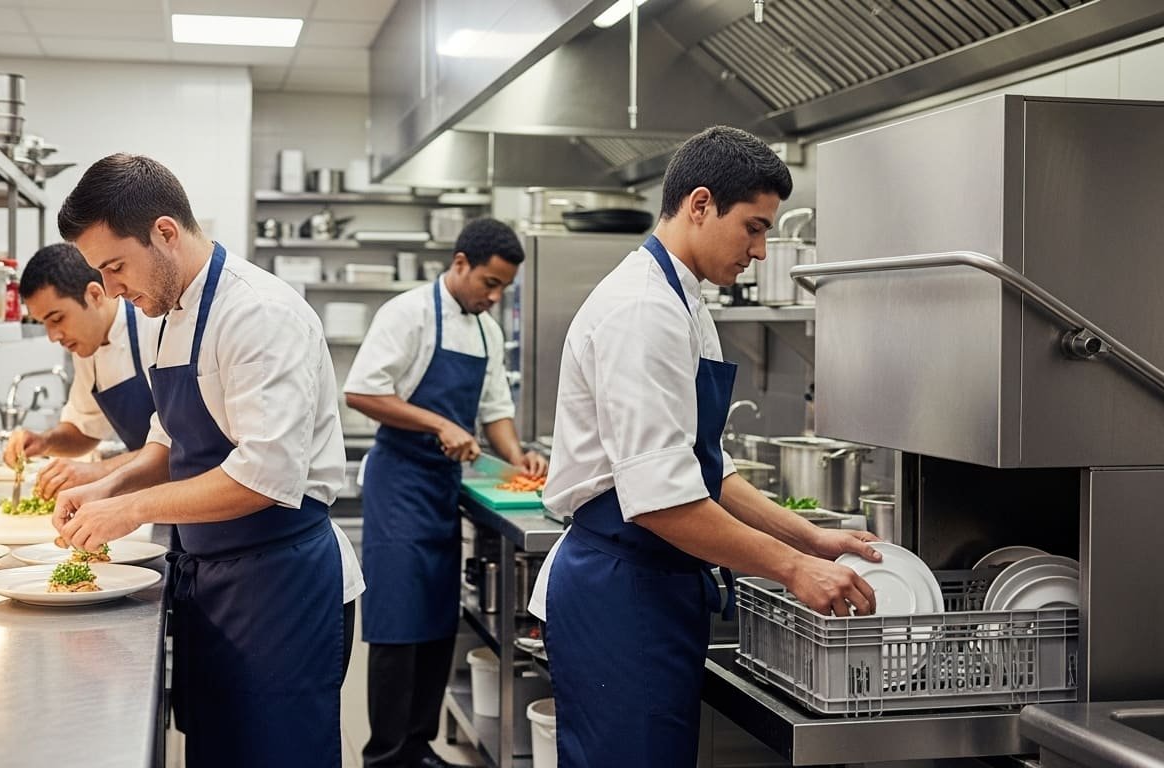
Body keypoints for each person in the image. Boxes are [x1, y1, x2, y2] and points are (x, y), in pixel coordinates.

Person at [528, 126, 881, 766]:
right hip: (622, 588)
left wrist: (810, 537)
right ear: (698, 204)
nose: (761, 249)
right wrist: (794, 568)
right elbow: (663, 502)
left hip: (655, 582)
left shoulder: (686, 303)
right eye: (752, 227)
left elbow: (704, 471)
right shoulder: (642, 310)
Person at [50, 153, 362, 767]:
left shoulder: (257, 314)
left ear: (164, 233)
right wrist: (105, 488)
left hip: (280, 587)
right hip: (214, 581)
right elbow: (171, 440)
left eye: (116, 267)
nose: (111, 289)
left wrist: (130, 508)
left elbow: (263, 478)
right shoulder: (173, 312)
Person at [344, 218, 546, 768]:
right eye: (488, 282)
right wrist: (437, 424)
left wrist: (517, 454)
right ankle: (385, 755)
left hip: (441, 489)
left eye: (503, 287)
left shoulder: (485, 330)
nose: (495, 295)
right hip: (399, 484)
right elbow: (361, 391)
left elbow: (493, 409)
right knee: (396, 626)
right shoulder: (407, 313)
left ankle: (419, 745)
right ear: (460, 264)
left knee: (435, 622)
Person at [1, 243, 161, 499]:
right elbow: (85, 430)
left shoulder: (154, 329)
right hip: (149, 491)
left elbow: (179, 444)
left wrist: (99, 471)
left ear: (95, 295)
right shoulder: (88, 347)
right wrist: (44, 442)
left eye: (57, 319)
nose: (53, 336)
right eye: (44, 324)